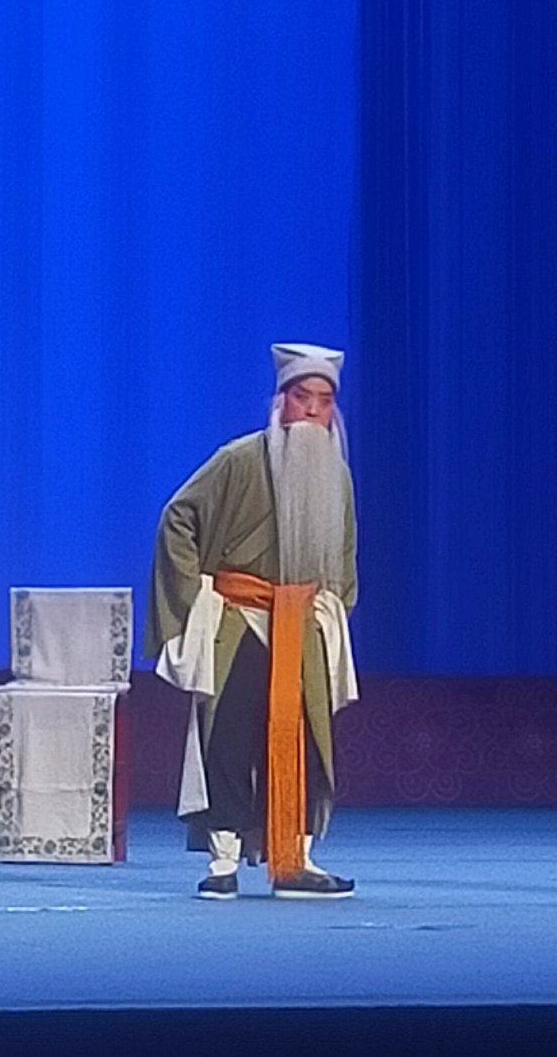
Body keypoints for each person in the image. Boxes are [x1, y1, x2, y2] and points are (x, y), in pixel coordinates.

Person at [149, 343, 359, 900]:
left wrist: (333, 608)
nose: (312, 410)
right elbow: (178, 517)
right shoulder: (239, 459)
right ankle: (222, 861)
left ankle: (296, 860)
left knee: (305, 743)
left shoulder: (335, 476)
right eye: (302, 397)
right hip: (241, 617)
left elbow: (344, 556)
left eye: (324, 401)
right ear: (280, 400)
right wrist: (196, 594)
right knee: (229, 737)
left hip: (300, 626)